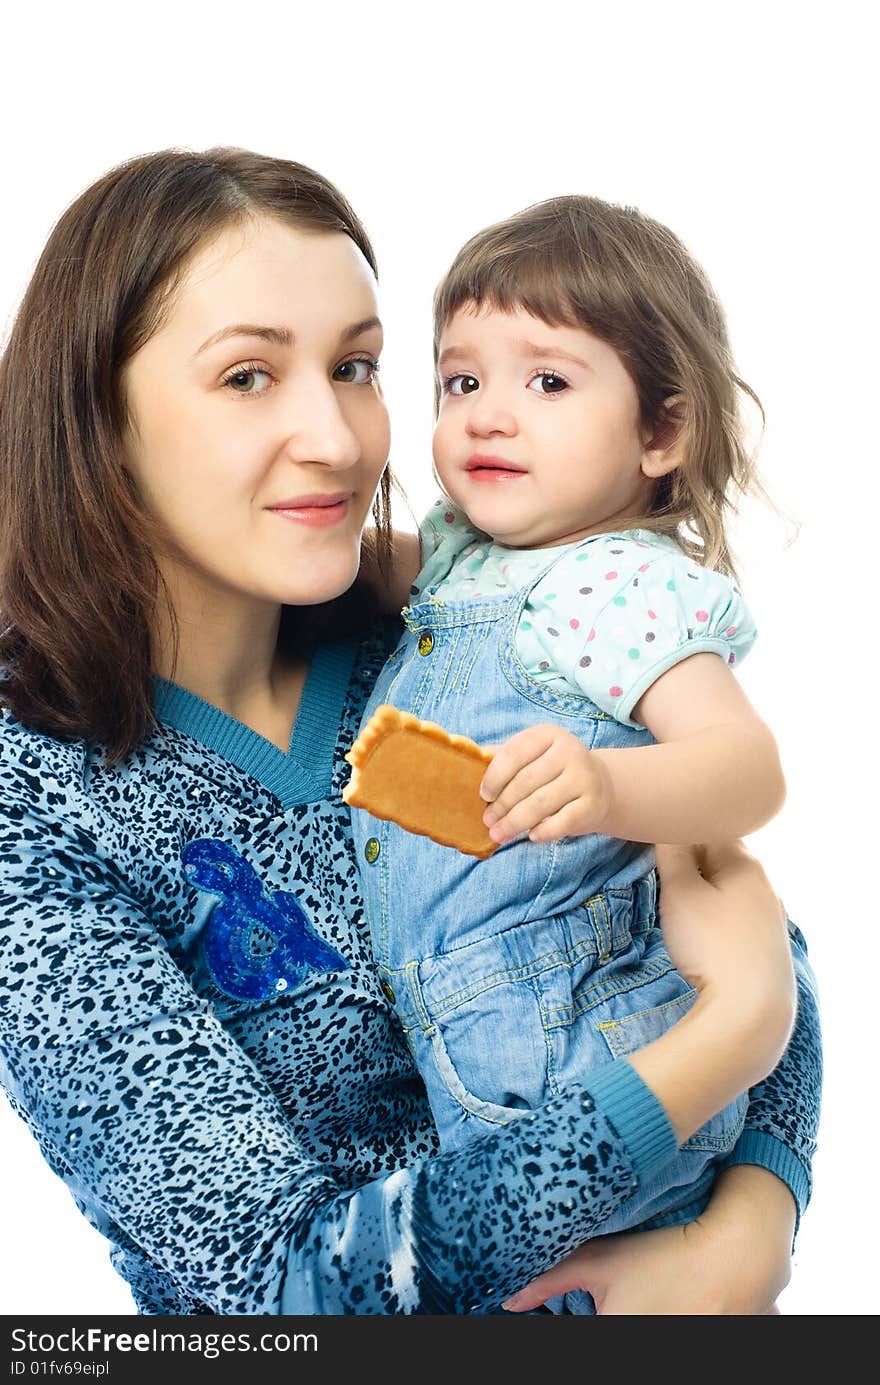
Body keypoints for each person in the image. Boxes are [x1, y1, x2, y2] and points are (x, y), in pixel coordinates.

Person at [0, 148, 819, 1317]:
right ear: (96, 417)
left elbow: (716, 921)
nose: (336, 439)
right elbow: (283, 1285)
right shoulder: (32, 796)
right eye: (245, 377)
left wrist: (750, 1226)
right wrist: (717, 1047)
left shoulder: (439, 640)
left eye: (355, 366)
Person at [348, 195, 803, 1311]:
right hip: (489, 1063)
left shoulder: (617, 584)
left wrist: (612, 786)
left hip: (592, 1054)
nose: (490, 416)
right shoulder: (466, 557)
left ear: (660, 434)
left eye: (546, 381)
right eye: (462, 382)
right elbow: (364, 571)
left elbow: (749, 768)